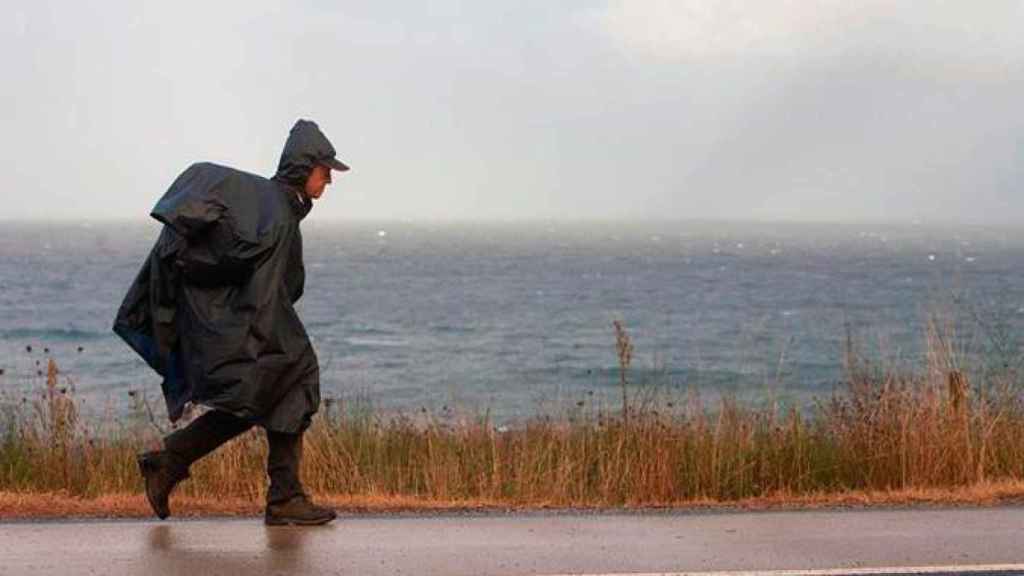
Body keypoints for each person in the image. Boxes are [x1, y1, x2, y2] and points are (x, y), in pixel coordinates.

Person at [113, 119, 349, 525]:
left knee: (271, 396)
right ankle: (281, 497)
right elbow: (269, 289)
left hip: (245, 323)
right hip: (253, 325)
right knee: (292, 380)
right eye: (324, 170)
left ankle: (175, 462)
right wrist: (262, 338)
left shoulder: (276, 207)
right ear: (303, 167)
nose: (329, 179)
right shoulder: (277, 214)